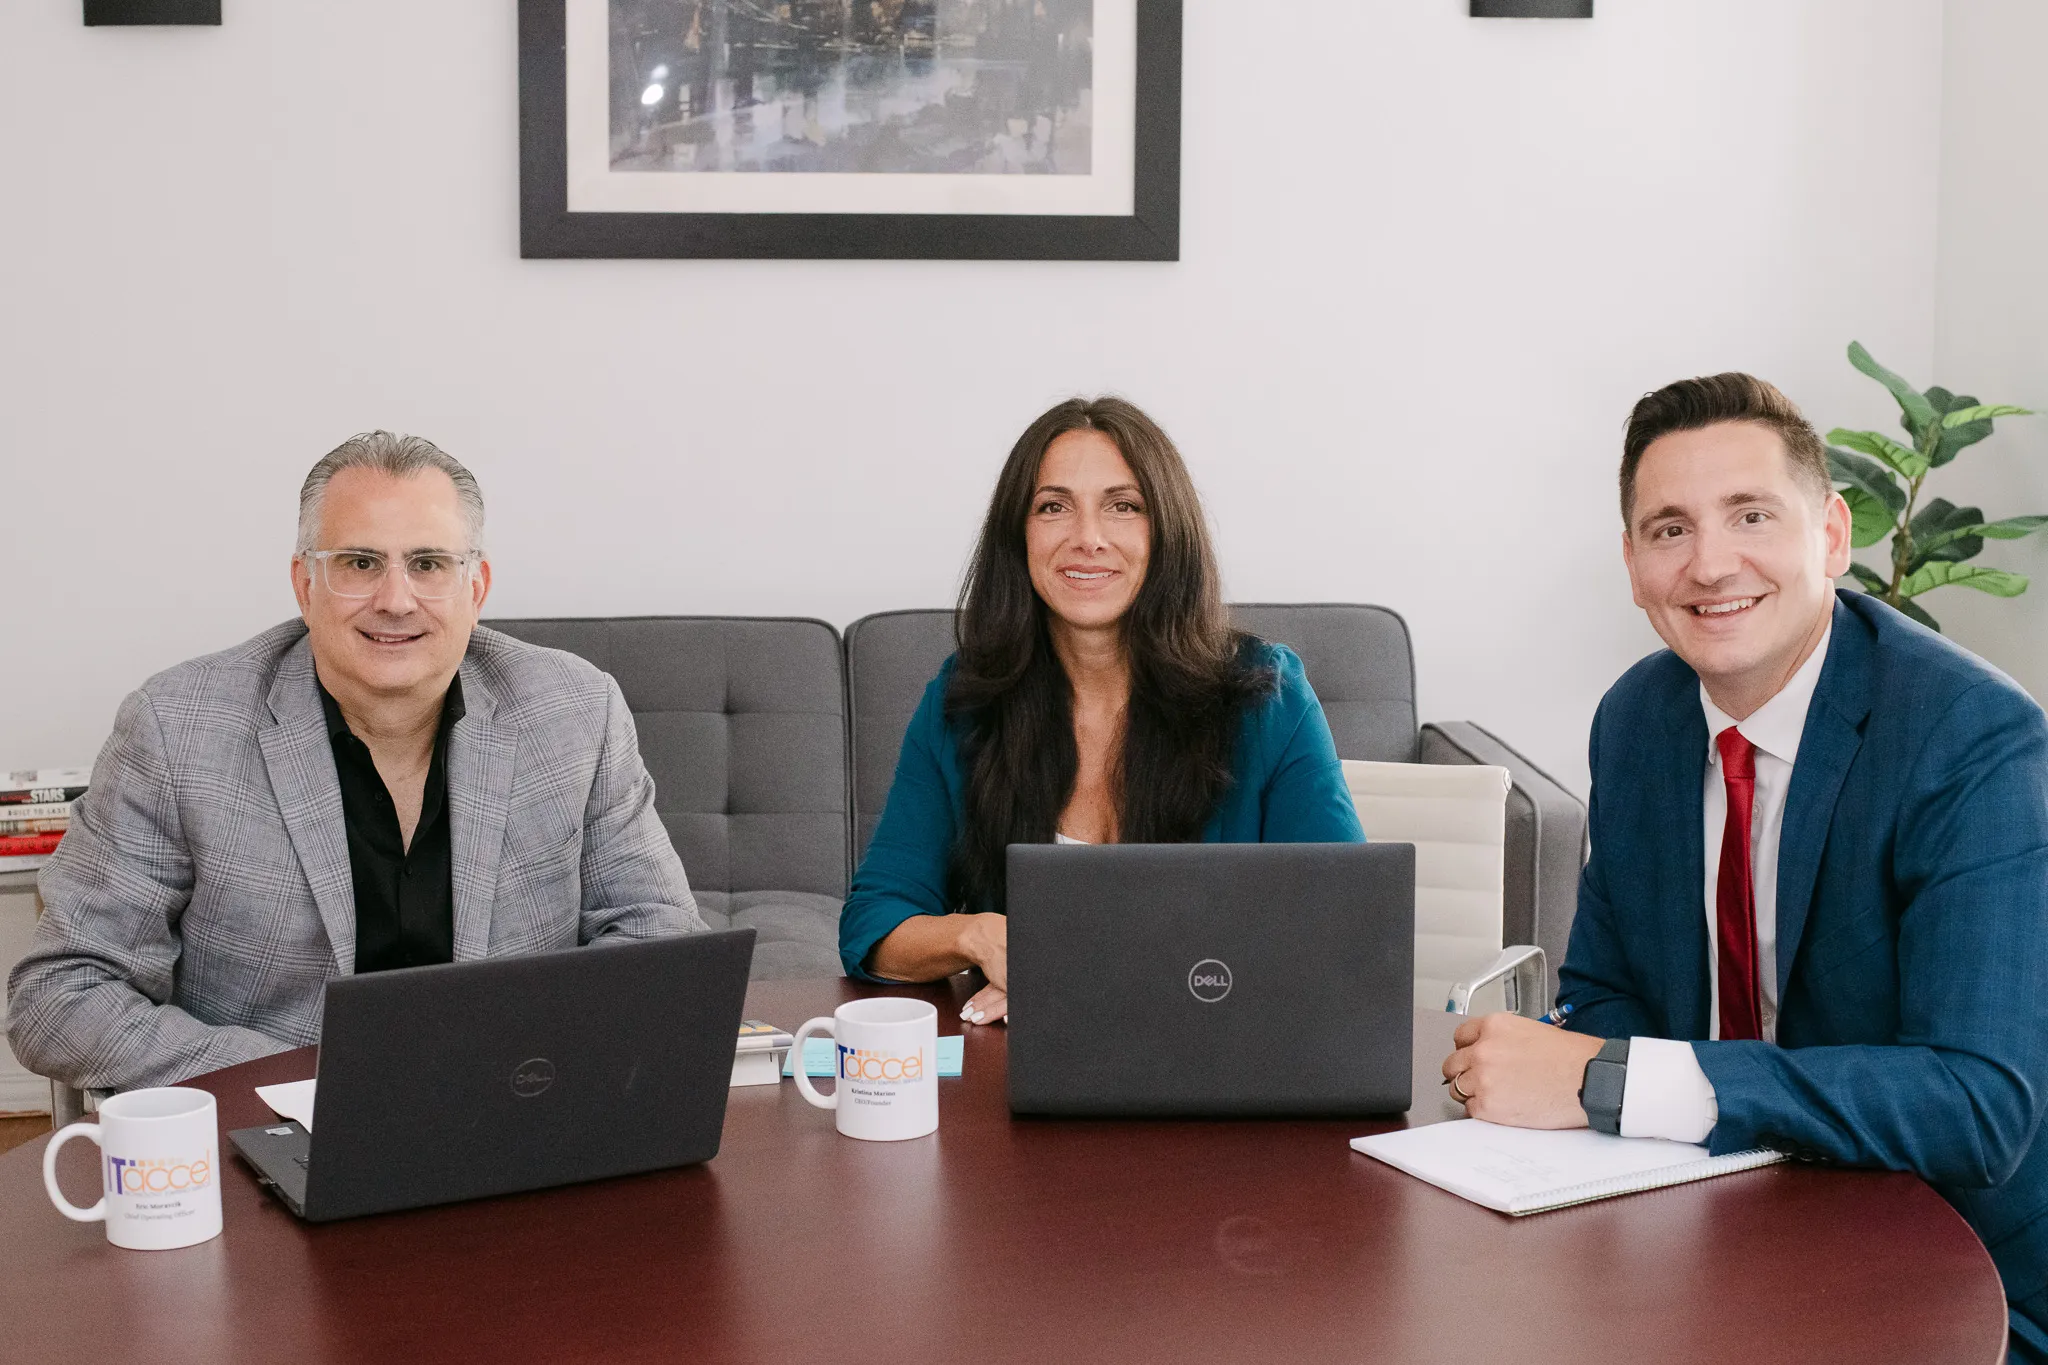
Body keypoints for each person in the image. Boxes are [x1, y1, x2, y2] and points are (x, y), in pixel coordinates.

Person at [1439, 374, 2048, 1357]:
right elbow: (1607, 989)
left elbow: (1975, 1107)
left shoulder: (1966, 738)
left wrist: (1613, 1080)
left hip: (1952, 1279)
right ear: (1632, 563)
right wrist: (1571, 1067)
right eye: (1667, 528)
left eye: (1749, 515)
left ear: (1831, 535)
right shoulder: (1636, 720)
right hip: (1712, 1243)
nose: (1709, 563)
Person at [8, 432, 703, 1092]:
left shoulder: (575, 711)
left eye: (428, 563)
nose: (395, 599)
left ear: (477, 587)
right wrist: (315, 1077)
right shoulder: (177, 729)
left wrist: (536, 1067)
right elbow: (61, 994)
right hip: (272, 1137)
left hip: (513, 1121)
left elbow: (663, 944)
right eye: (360, 563)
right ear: (306, 586)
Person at [838, 396, 1365, 1023]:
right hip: (1022, 1076)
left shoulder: (1266, 697)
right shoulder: (962, 704)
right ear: (1019, 534)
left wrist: (1093, 974)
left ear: (1166, 531)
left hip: (1221, 1055)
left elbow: (1346, 928)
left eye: (1124, 506)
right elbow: (873, 926)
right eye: (1054, 506)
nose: (1087, 538)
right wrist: (975, 936)